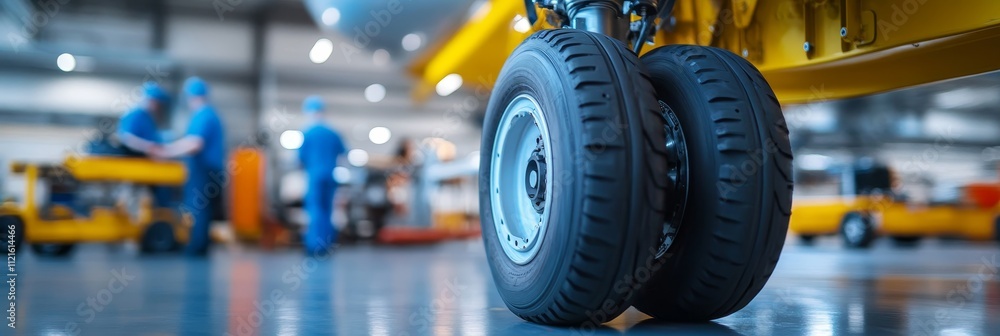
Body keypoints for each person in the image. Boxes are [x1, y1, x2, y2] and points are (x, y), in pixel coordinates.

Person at [154, 77, 226, 256]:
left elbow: (194, 144)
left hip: (203, 169)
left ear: (191, 96)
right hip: (210, 169)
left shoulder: (203, 115)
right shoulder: (209, 115)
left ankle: (197, 247)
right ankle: (200, 245)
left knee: (198, 207)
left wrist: (166, 152)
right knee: (203, 208)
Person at [298, 95, 347, 255]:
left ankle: (315, 245)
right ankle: (327, 243)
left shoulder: (308, 133)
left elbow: (300, 158)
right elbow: (343, 152)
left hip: (315, 176)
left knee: (315, 209)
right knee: (327, 210)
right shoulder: (333, 133)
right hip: (330, 175)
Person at [117, 82, 174, 207]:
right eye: (154, 102)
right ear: (147, 99)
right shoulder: (135, 115)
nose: (156, 106)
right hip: (135, 165)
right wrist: (148, 147)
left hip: (149, 167)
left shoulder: (148, 118)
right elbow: (126, 138)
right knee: (134, 201)